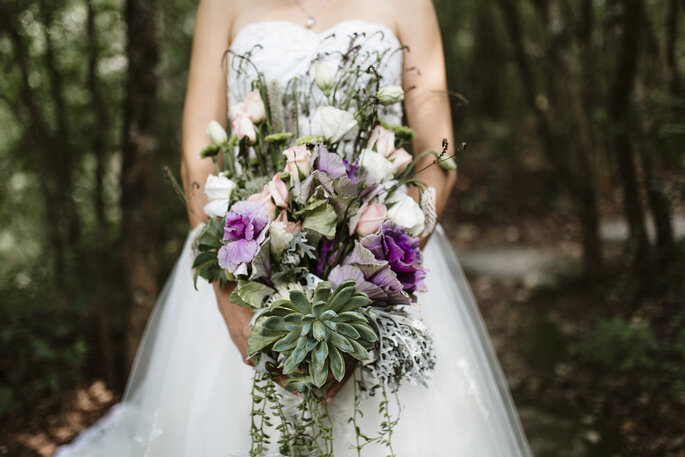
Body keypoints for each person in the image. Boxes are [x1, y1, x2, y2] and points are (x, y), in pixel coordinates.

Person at [56, 0, 533, 455]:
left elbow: (438, 158)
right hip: (249, 269)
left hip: (380, 259)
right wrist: (230, 295)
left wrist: (370, 288)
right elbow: (195, 160)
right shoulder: (221, 4)